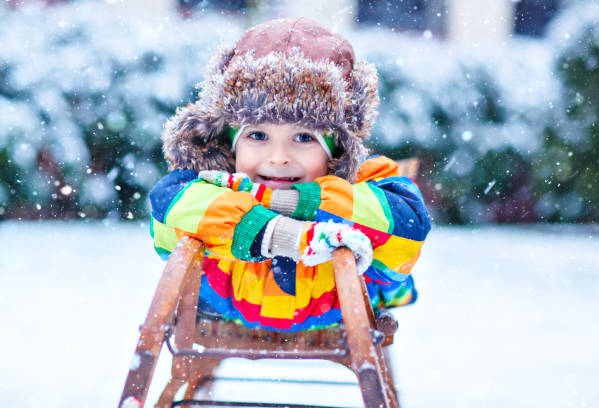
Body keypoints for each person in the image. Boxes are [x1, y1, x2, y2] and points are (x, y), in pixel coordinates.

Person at [149, 17, 431, 332]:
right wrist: (281, 235)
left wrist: (291, 202)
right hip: (223, 303)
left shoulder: (361, 184)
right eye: (257, 135)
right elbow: (166, 218)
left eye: (303, 137)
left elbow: (408, 227)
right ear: (231, 145)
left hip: (341, 306)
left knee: (390, 244)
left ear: (338, 150)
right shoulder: (209, 184)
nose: (279, 158)